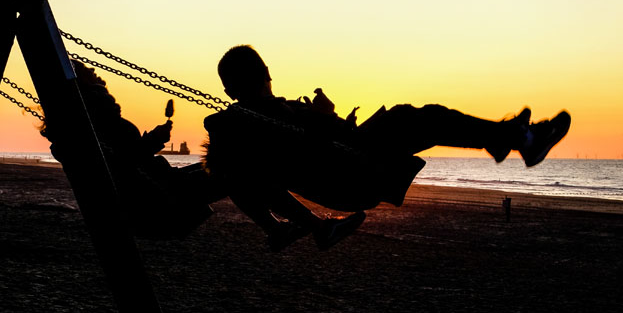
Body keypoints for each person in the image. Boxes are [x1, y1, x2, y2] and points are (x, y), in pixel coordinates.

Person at [203, 45, 571, 250]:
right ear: (265, 72)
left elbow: (323, 141)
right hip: (351, 175)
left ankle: (516, 138)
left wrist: (330, 118)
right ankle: (518, 139)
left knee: (423, 117)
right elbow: (238, 176)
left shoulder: (276, 112)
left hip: (351, 162)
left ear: (229, 88)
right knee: (418, 118)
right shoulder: (235, 124)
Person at [41, 60, 224, 238]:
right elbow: (126, 161)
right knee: (235, 169)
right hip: (155, 204)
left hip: (147, 193)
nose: (93, 69)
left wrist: (153, 140)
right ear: (80, 81)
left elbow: (122, 158)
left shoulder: (80, 122)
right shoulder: (96, 113)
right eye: (86, 69)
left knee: (227, 165)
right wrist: (153, 141)